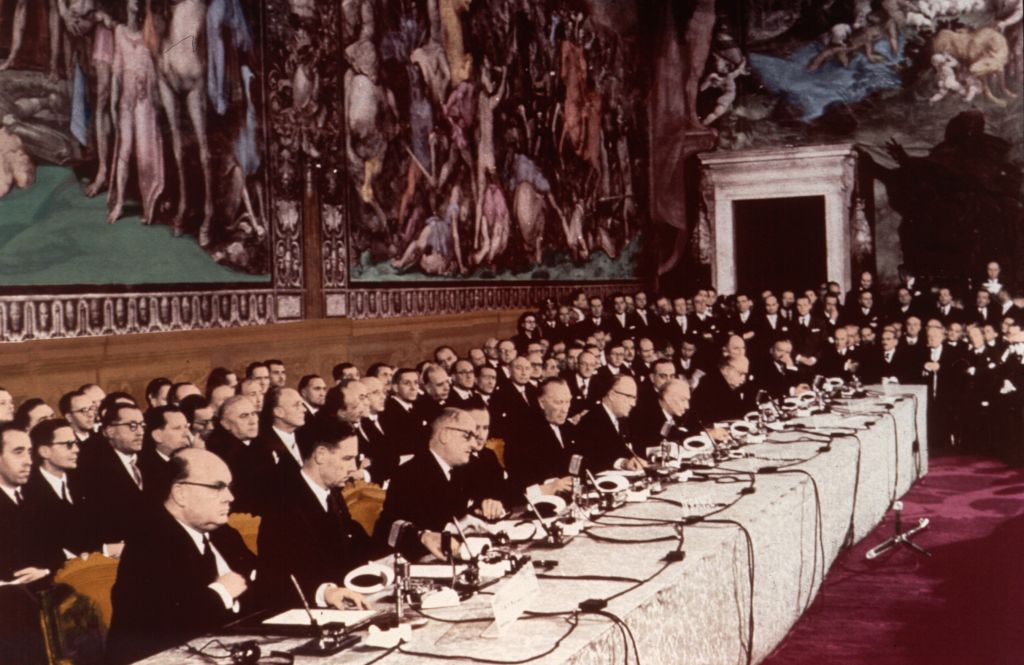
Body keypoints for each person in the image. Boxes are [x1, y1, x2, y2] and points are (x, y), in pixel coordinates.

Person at [105, 449, 258, 665]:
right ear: (180, 493)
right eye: (217, 487)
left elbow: (261, 582)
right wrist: (221, 592)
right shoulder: (150, 541)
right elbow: (163, 625)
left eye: (229, 487)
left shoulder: (223, 534)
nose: (229, 497)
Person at [256, 419, 376, 611]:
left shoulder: (332, 494)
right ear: (320, 455)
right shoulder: (283, 502)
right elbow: (280, 578)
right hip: (304, 613)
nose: (354, 468)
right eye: (347, 459)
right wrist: (326, 592)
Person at [373, 409, 480, 560]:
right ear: (445, 435)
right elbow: (393, 529)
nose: (475, 445)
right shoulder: (410, 474)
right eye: (467, 436)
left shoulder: (458, 470)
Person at [0, 424, 61, 665]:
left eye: (29, 451)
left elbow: (55, 553)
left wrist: (45, 570)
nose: (28, 461)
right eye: (18, 452)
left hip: (39, 611)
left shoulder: (31, 499)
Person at [77, 404, 149, 549]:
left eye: (142, 425)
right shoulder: (93, 468)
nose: (140, 432)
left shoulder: (147, 461)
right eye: (132, 426)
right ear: (110, 431)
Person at [24, 419, 95, 557]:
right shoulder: (28, 491)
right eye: (68, 445)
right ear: (44, 451)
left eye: (75, 443)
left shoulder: (85, 481)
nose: (76, 450)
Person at [504, 378, 576, 497]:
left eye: (568, 402)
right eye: (559, 402)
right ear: (542, 403)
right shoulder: (523, 433)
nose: (565, 409)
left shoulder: (568, 428)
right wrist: (551, 484)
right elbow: (519, 481)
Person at [206, 396, 273, 515]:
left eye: (254, 414)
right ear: (226, 424)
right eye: (244, 416)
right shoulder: (219, 453)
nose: (252, 421)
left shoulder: (263, 444)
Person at [575, 375, 645, 473]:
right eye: (629, 397)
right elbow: (593, 460)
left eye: (634, 398)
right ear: (612, 395)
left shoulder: (624, 420)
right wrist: (623, 463)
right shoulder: (591, 421)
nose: (633, 404)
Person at [139, 406, 193, 503]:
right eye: (177, 428)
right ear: (157, 436)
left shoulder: (190, 459)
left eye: (186, 427)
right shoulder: (146, 470)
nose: (187, 434)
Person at [689, 356, 751, 425]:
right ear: (727, 370)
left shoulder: (732, 384)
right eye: (741, 374)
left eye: (745, 374)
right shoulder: (709, 385)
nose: (744, 379)